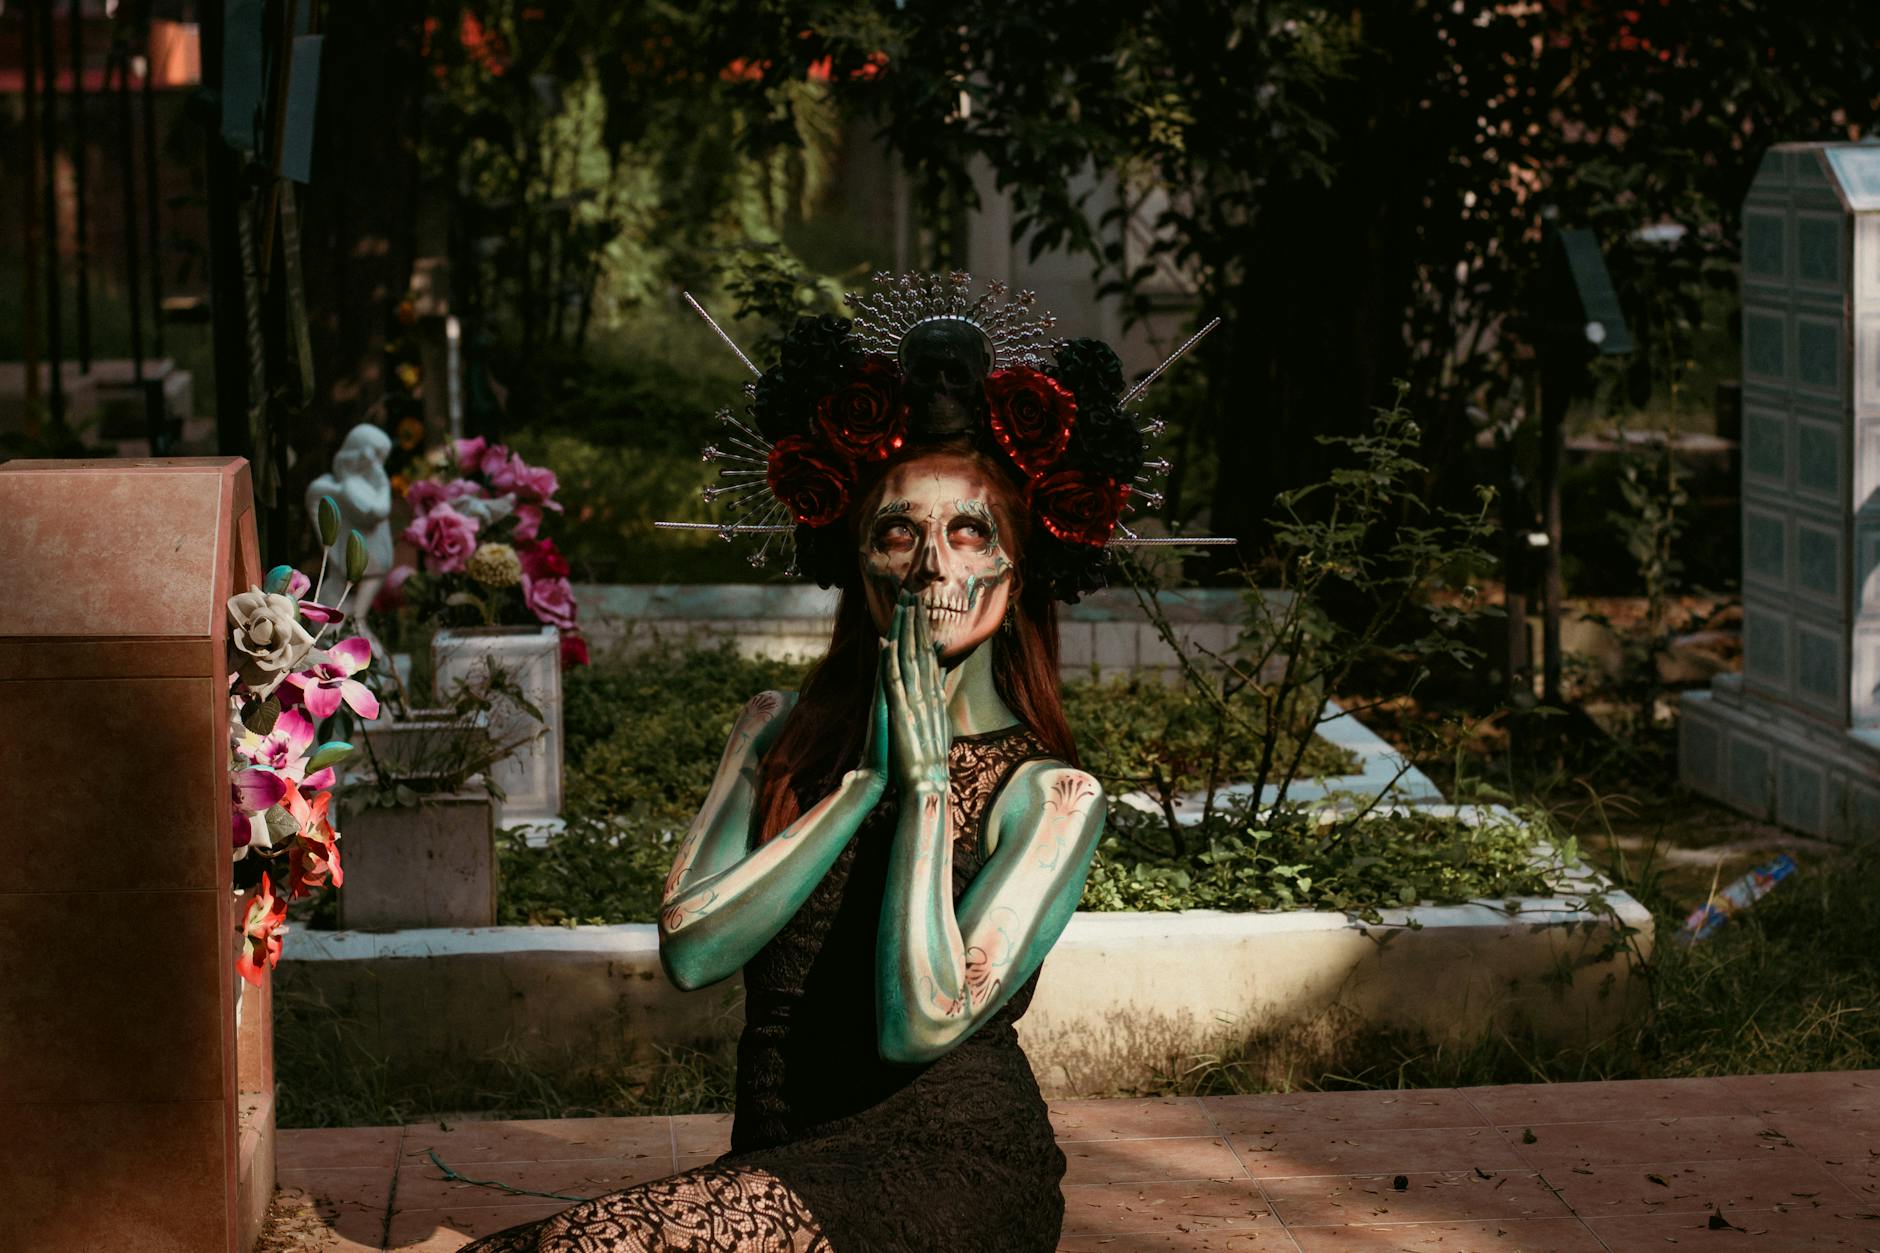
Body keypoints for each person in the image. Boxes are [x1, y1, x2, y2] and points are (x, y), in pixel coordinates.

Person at [466, 276, 1158, 1253]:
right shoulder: (774, 729)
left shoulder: (1053, 796)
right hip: (782, 1159)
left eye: (968, 532)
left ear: (1017, 563)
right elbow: (692, 948)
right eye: (898, 532)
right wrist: (858, 787)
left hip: (952, 1165)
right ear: (858, 557)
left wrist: (923, 792)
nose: (932, 567)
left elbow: (919, 1023)